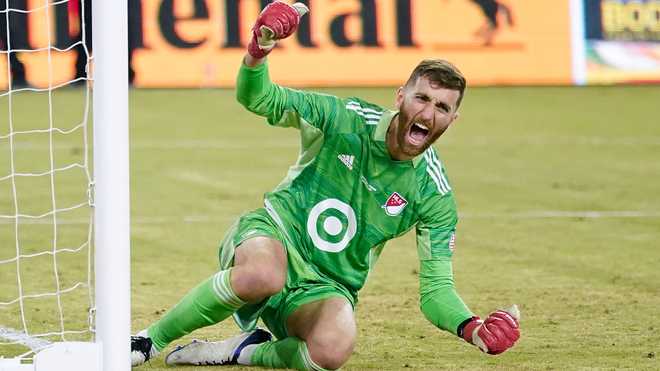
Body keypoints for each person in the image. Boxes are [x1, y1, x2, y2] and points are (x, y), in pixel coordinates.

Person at [130, 1, 521, 369]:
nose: (427, 113)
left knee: (334, 348)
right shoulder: (342, 118)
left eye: (442, 107)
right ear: (401, 97)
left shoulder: (434, 195)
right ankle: (146, 341)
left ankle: (242, 351)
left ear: (453, 120)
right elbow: (258, 97)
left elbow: (435, 290)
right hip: (273, 235)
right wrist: (261, 47)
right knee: (264, 274)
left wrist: (473, 328)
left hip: (327, 285)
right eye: (421, 98)